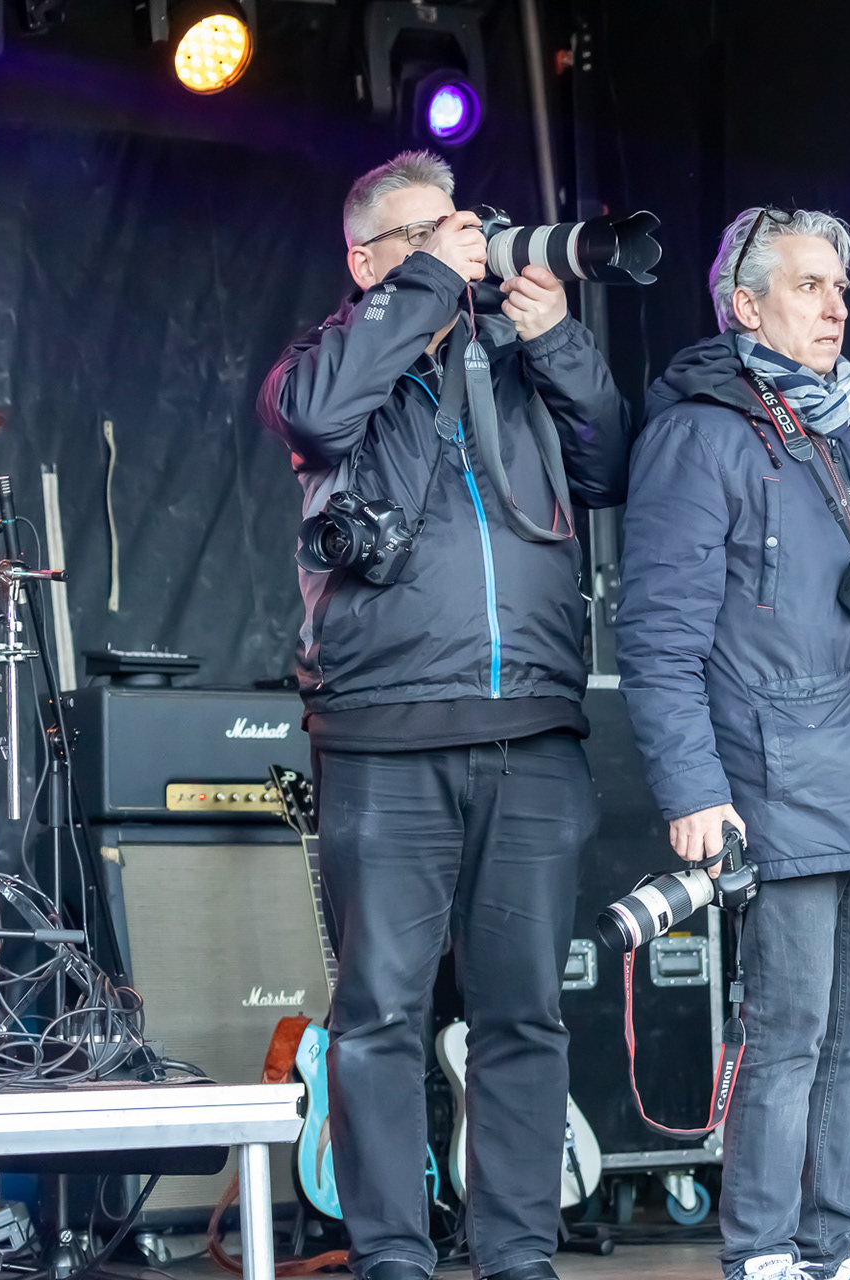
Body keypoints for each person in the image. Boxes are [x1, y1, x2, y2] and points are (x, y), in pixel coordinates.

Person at [256, 150, 631, 1280]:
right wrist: (425, 284)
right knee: (381, 1012)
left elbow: (611, 463)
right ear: (366, 258)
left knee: (524, 1013)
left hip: (533, 730)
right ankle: (392, 1257)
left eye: (458, 227)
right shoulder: (322, 364)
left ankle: (518, 1254)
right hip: (384, 732)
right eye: (423, 234)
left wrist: (557, 340)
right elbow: (317, 419)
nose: (458, 247)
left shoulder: (511, 361)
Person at [617, 206, 850, 1280]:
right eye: (809, 285)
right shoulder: (700, 435)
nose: (835, 307)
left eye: (841, 287)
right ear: (745, 304)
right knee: (787, 1033)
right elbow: (658, 635)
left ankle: (832, 1242)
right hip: (777, 784)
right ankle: (763, 1253)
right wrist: (693, 789)